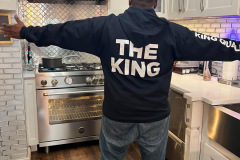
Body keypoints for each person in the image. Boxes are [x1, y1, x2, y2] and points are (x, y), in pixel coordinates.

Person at [1, 0, 240, 159]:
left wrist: (25, 31)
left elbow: (63, 31)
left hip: (117, 117)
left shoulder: (106, 27)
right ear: (156, 3)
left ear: (128, 0)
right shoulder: (172, 33)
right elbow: (215, 45)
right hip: (155, 119)